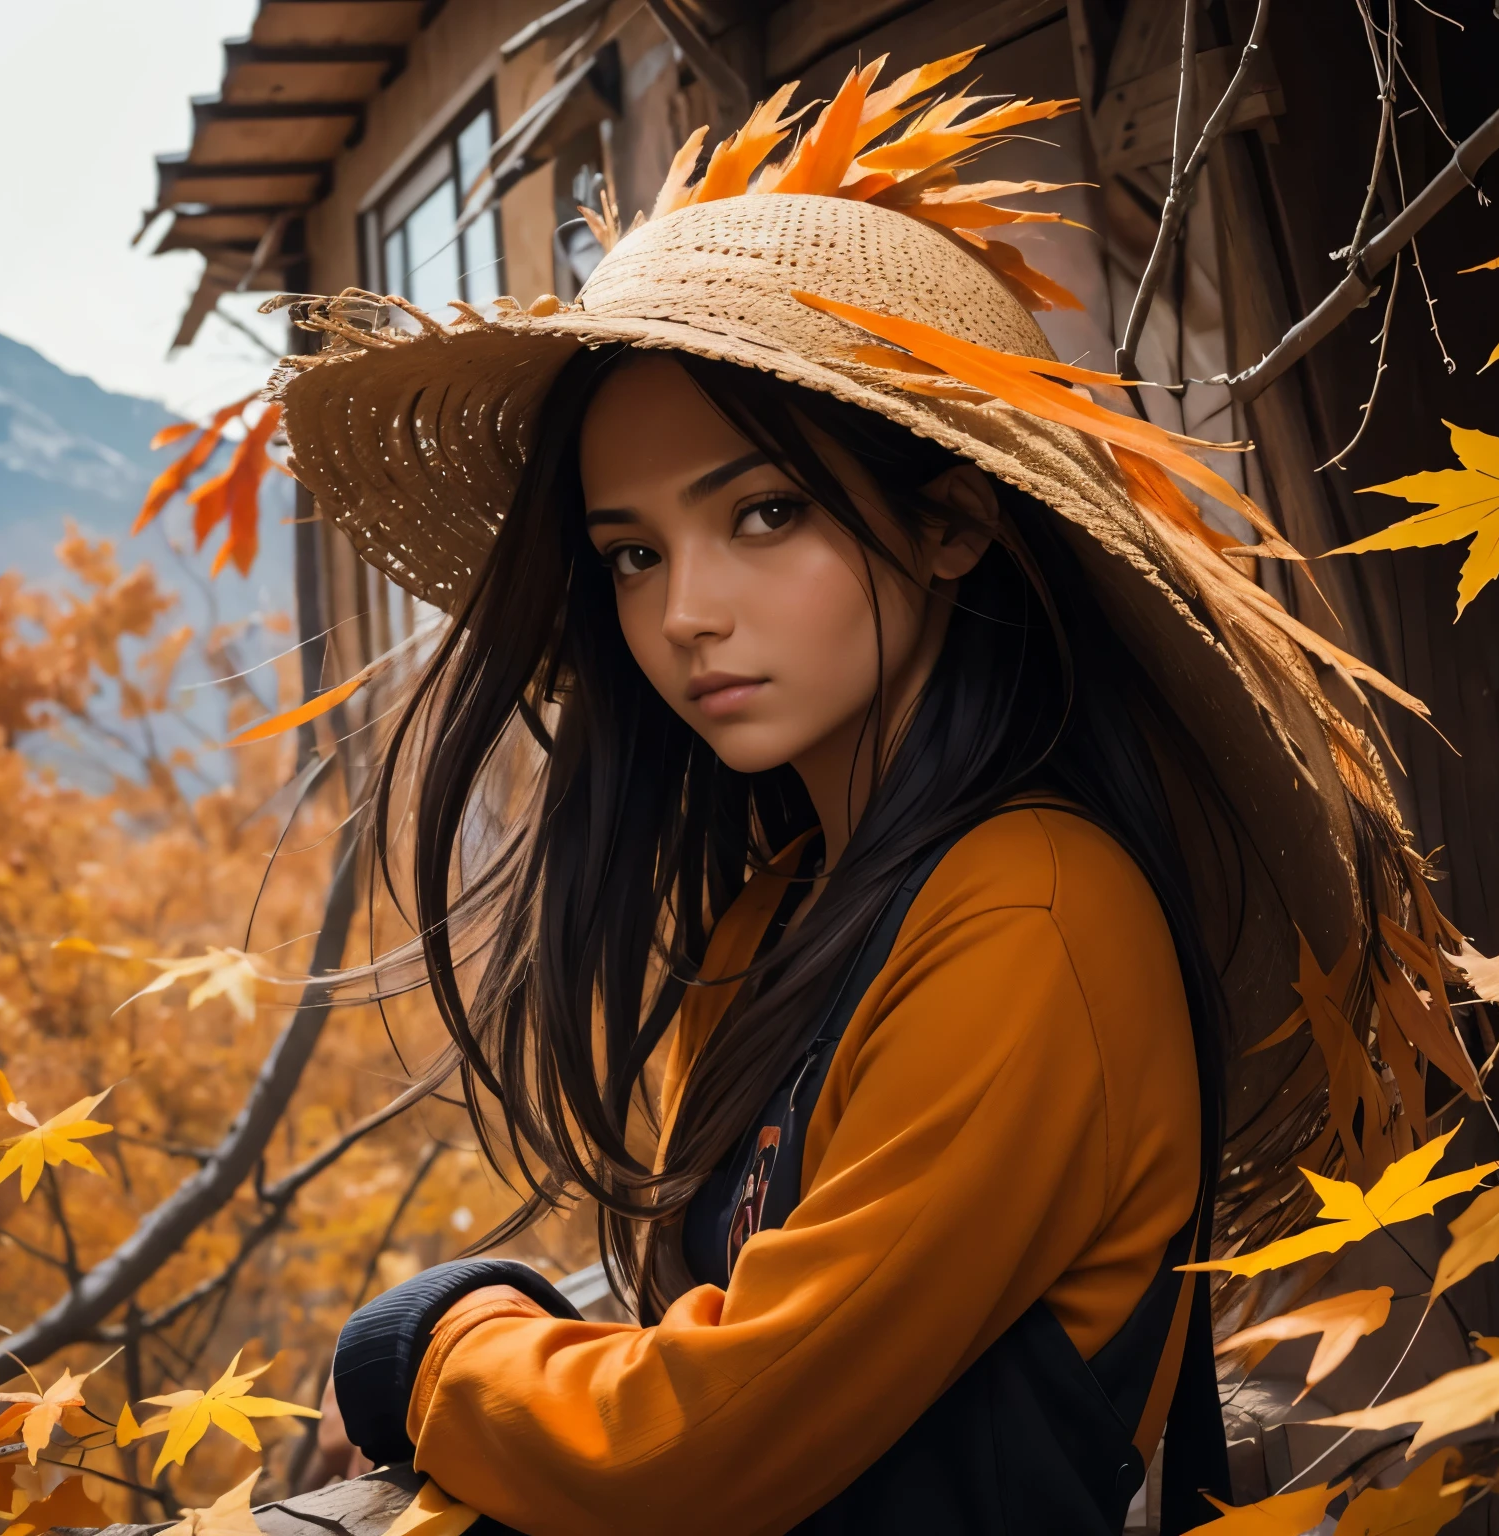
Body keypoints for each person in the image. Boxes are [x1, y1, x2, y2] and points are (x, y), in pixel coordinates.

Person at [276, 47, 1436, 1536]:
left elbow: (687, 1451)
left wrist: (440, 1342)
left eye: (764, 514)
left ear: (950, 526)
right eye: (633, 552)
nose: (685, 611)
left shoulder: (1034, 917)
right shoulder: (788, 909)